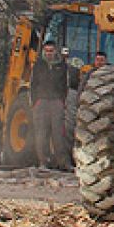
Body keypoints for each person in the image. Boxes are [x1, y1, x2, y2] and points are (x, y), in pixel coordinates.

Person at [30, 41, 71, 170]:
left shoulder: (62, 66)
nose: (49, 53)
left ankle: (62, 162)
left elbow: (66, 84)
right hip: (41, 101)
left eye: (51, 51)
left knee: (59, 134)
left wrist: (62, 101)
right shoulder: (38, 65)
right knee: (41, 134)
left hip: (56, 102)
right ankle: (43, 162)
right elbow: (32, 84)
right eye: (46, 51)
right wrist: (35, 102)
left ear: (55, 51)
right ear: (43, 51)